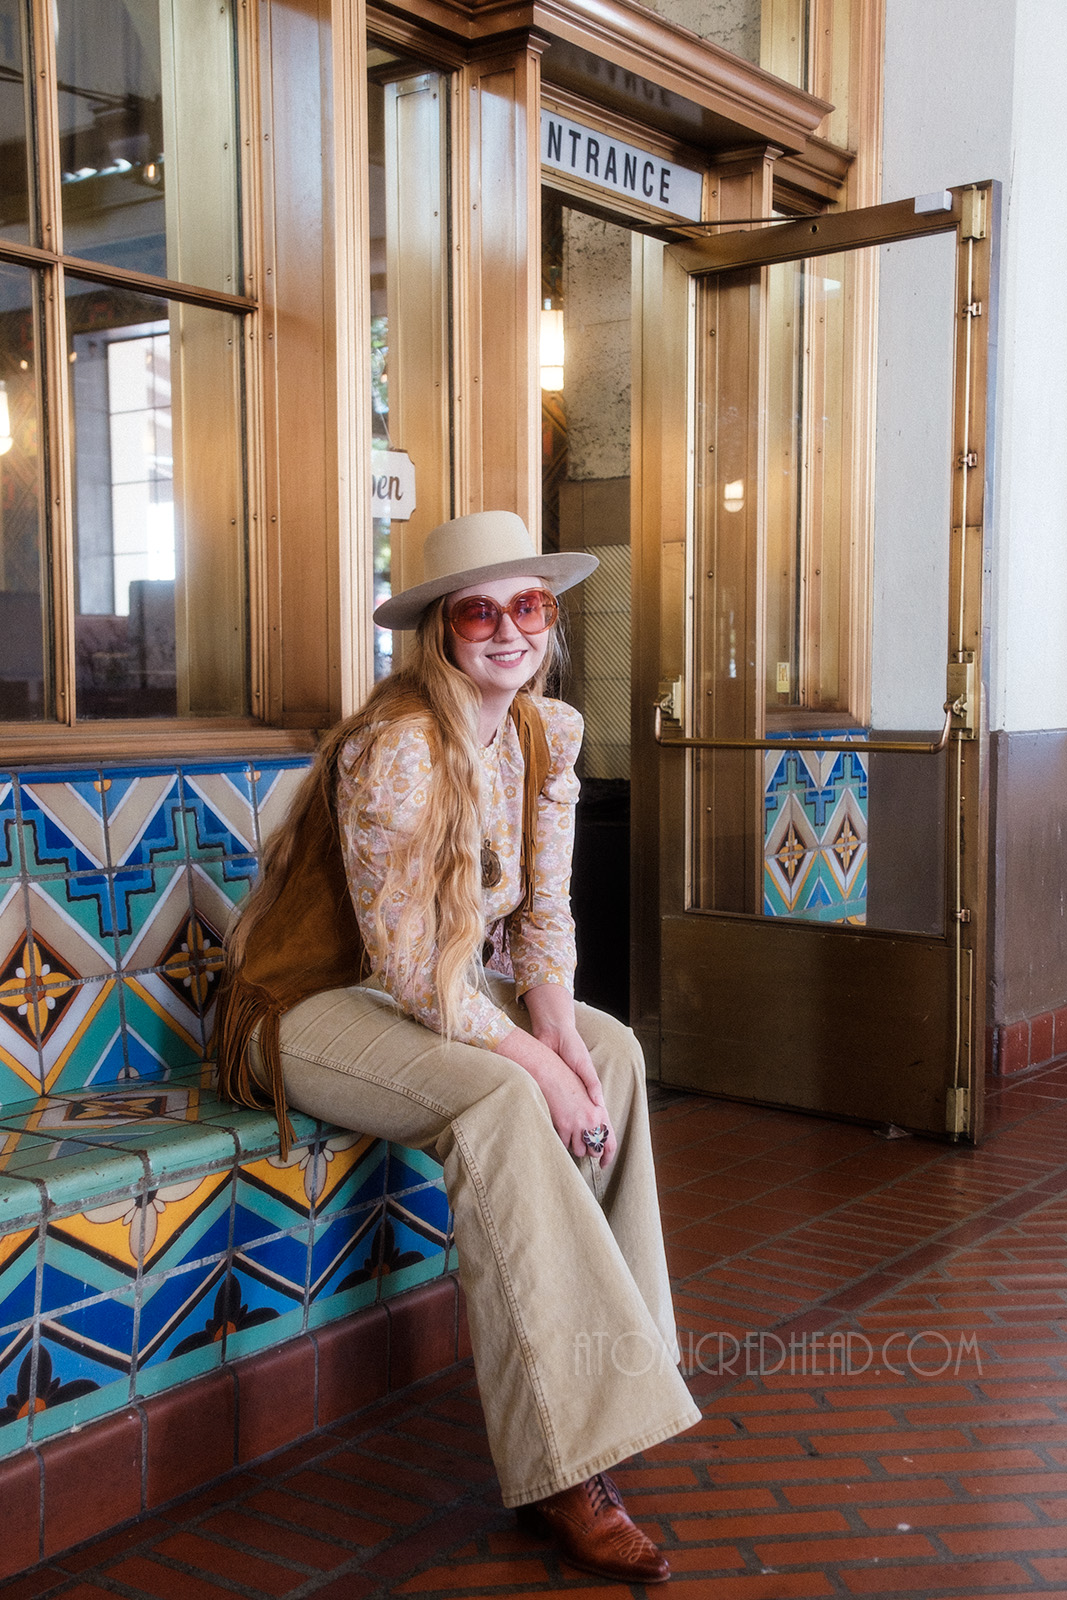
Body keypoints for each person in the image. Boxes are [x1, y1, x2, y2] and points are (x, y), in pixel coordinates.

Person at [216, 511, 701, 1585]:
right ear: (439, 630)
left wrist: (564, 1039)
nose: (504, 630)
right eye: (476, 610)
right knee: (500, 1101)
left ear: (549, 617)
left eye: (525, 606)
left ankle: (615, 1377)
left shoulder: (542, 733)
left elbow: (542, 922)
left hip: (419, 992)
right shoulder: (396, 745)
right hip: (301, 1008)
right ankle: (565, 1465)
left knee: (612, 1056)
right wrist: (535, 1071)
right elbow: (412, 975)